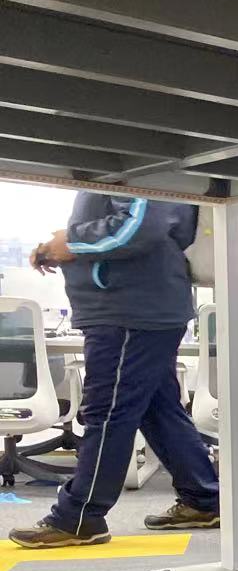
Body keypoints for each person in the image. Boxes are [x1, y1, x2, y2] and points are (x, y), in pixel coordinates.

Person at [8, 194, 220, 549]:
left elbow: (141, 225)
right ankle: (204, 499)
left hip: (129, 311)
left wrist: (71, 242)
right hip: (136, 307)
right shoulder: (122, 171)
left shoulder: (137, 166)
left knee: (108, 413)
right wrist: (61, 248)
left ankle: (80, 516)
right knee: (158, 410)